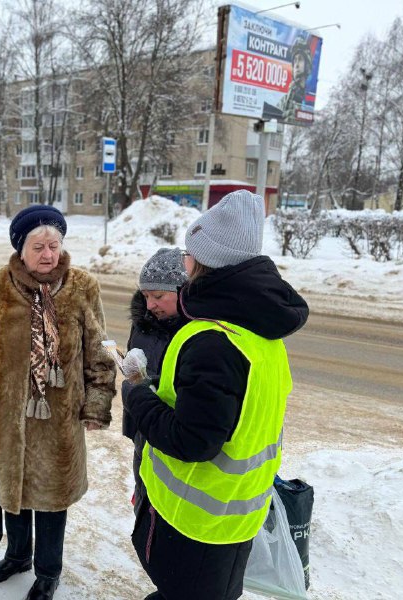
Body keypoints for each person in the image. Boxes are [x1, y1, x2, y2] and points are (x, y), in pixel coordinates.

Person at [123, 190, 309, 600]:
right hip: (236, 514)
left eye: (189, 254)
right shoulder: (260, 332)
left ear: (203, 261)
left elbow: (193, 440)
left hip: (195, 521)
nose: (183, 262)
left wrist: (136, 393)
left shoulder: (213, 340)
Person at [0, 204, 116, 600]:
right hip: (5, 411)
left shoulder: (82, 286)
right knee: (11, 488)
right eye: (38, 246)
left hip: (58, 416)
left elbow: (99, 347)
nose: (48, 255)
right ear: (20, 248)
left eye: (54, 245)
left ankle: (48, 570)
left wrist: (97, 402)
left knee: (51, 494)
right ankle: (17, 556)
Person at [121, 248, 188, 517]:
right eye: (146, 296)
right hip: (144, 431)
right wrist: (132, 372)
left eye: (158, 296)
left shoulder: (197, 331)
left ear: (182, 291)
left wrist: (149, 384)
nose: (150, 305)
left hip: (175, 433)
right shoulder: (143, 323)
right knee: (145, 500)